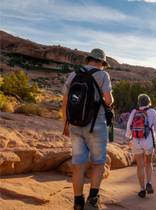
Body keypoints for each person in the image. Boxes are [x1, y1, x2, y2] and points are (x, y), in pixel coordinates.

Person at [62, 48, 114, 210]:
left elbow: (64, 102)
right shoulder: (103, 75)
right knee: (98, 163)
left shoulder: (74, 75)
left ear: (89, 59)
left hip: (75, 125)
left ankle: (78, 202)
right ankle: (92, 199)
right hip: (96, 126)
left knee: (78, 164)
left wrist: (65, 124)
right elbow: (108, 100)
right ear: (101, 62)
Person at [125, 94, 156, 198]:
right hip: (148, 141)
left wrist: (128, 138)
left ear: (139, 102)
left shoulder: (134, 112)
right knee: (148, 162)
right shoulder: (152, 112)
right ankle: (149, 183)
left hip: (136, 141)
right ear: (148, 102)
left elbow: (129, 126)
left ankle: (142, 189)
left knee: (140, 166)